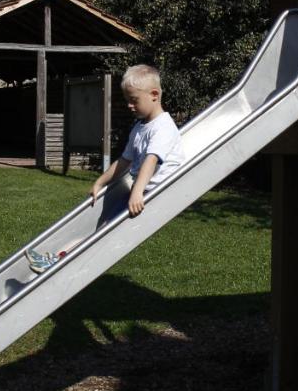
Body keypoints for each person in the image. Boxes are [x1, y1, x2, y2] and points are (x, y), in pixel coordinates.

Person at [27, 64, 185, 273]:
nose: (129, 105)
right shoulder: (140, 126)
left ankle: (58, 261)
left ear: (154, 95)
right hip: (138, 190)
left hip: (150, 194)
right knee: (98, 229)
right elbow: (124, 161)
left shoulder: (163, 127)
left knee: (101, 235)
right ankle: (56, 257)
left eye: (134, 100)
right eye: (128, 100)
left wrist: (137, 192)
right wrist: (100, 182)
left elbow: (151, 160)